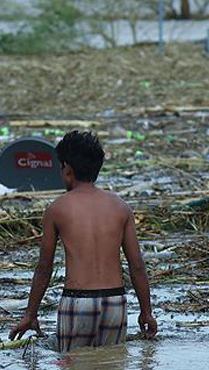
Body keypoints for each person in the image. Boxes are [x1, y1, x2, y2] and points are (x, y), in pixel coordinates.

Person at [9, 130, 157, 352]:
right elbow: (136, 266)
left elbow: (44, 267)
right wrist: (146, 312)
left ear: (67, 168)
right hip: (115, 303)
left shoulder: (57, 209)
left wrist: (30, 314)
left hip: (77, 303)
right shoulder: (120, 207)